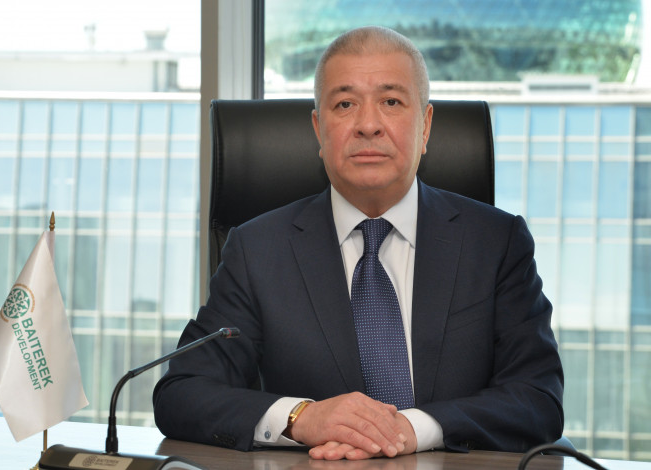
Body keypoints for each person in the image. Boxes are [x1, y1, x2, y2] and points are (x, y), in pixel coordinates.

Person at [153, 25, 563, 461]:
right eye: (345, 104)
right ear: (319, 129)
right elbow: (182, 392)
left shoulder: (496, 243)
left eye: (391, 102)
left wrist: (413, 428)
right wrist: (301, 417)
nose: (368, 125)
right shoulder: (258, 250)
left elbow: (537, 398)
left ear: (425, 126)